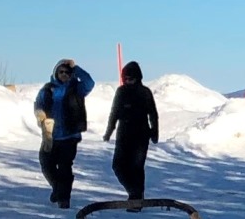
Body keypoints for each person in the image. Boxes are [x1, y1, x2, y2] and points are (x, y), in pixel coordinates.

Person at [32, 59, 95, 206]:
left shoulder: (76, 88)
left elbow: (90, 82)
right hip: (50, 136)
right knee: (46, 163)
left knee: (65, 167)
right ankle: (58, 189)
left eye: (67, 72)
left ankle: (63, 198)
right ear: (56, 73)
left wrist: (76, 68)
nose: (64, 74)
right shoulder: (47, 89)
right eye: (61, 72)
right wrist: (39, 114)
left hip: (70, 136)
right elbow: (38, 104)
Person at [102, 61, 159, 201]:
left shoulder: (145, 92)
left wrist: (154, 132)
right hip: (124, 133)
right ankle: (134, 193)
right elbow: (114, 112)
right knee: (118, 166)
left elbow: (153, 114)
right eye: (126, 79)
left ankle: (137, 198)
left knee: (137, 167)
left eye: (131, 78)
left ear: (138, 77)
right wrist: (109, 131)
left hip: (141, 134)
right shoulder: (121, 92)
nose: (128, 81)